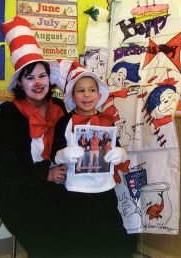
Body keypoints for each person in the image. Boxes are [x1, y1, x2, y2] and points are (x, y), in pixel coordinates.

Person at [0, 16, 84, 257]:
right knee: (48, 236)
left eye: (42, 76)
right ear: (20, 82)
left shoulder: (59, 107)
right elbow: (6, 166)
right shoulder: (9, 113)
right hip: (18, 189)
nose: (37, 83)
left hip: (55, 185)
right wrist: (45, 174)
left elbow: (71, 143)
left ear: (50, 78)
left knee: (83, 218)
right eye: (29, 78)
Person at [51, 61, 137, 257]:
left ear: (99, 95)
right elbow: (54, 153)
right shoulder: (65, 122)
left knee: (110, 235)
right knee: (78, 238)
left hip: (104, 190)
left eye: (91, 90)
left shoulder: (108, 120)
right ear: (73, 96)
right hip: (75, 191)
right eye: (80, 90)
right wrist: (64, 154)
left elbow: (120, 148)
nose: (87, 95)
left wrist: (119, 154)